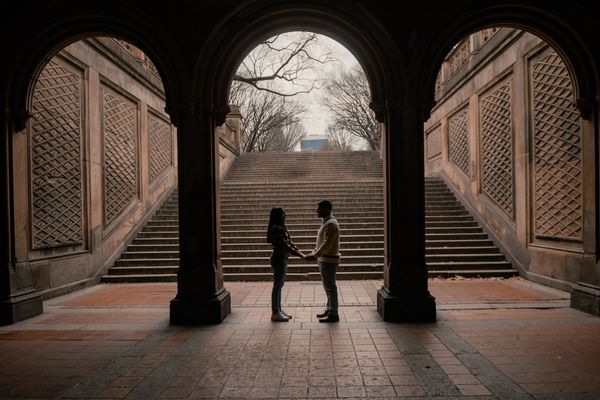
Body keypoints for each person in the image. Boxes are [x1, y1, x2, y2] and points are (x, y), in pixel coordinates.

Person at [305, 200, 340, 322]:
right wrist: (314, 253)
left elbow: (327, 244)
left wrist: (315, 255)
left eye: (319, 209)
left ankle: (334, 313)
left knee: (330, 287)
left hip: (328, 260)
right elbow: (322, 243)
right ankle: (330, 309)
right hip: (325, 259)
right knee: (328, 287)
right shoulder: (327, 223)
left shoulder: (331, 224)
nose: (317, 211)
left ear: (327, 209)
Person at [267, 207, 304, 322]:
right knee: (277, 286)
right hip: (278, 258)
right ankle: (275, 312)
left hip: (282, 257)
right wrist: (300, 255)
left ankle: (278, 310)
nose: (285, 215)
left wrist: (299, 252)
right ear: (278, 216)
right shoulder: (276, 228)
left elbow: (289, 243)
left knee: (279, 285)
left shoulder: (281, 227)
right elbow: (285, 246)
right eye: (283, 214)